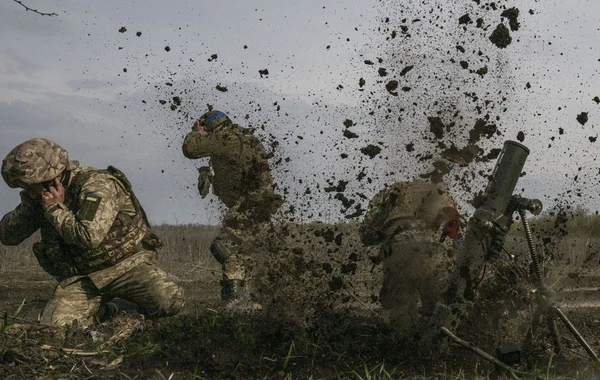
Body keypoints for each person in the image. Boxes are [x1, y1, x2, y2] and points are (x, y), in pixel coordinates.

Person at [0, 138, 184, 328]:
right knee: (56, 326)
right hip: (83, 279)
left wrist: (55, 210)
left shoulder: (97, 186)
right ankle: (106, 311)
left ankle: (125, 307)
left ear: (53, 179)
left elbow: (89, 236)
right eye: (25, 189)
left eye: (31, 188)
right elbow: (7, 236)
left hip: (126, 267)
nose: (29, 193)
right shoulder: (42, 197)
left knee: (168, 298)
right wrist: (29, 208)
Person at [182, 110, 283, 310]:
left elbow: (191, 149)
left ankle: (236, 301)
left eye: (208, 130)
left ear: (214, 127)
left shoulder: (227, 138)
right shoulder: (243, 138)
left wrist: (196, 133)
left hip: (253, 204)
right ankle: (254, 301)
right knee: (243, 253)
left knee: (224, 246)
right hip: (258, 204)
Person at [359, 180, 463, 338]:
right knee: (440, 307)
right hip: (437, 251)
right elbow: (459, 236)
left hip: (400, 248)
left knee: (400, 307)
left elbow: (367, 233)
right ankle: (441, 348)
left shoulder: (394, 191)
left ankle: (402, 351)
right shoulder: (442, 194)